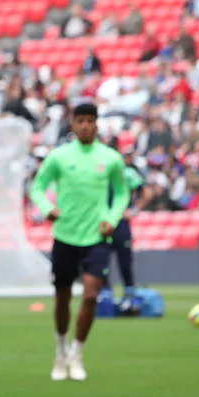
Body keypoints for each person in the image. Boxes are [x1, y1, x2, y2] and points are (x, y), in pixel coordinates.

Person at [30, 103, 128, 382]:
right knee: (62, 296)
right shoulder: (59, 157)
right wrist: (47, 208)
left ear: (97, 125)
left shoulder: (110, 158)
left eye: (90, 121)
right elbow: (37, 186)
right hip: (65, 235)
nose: (85, 125)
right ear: (72, 125)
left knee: (90, 294)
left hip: (96, 236)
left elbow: (121, 193)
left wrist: (112, 216)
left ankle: (77, 352)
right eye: (80, 120)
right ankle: (60, 351)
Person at [107, 154, 147, 310]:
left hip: (121, 224)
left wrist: (134, 210)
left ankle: (130, 296)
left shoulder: (128, 173)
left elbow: (145, 192)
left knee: (125, 263)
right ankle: (105, 297)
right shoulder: (99, 174)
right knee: (101, 262)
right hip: (103, 223)